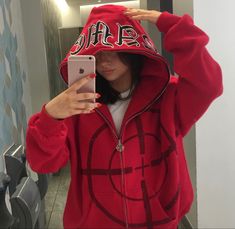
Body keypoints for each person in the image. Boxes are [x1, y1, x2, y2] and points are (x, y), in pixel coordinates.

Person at [26, 5, 223, 229]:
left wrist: (174, 26)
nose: (103, 60)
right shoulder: (78, 105)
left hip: (156, 221)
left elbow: (209, 84)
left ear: (133, 50)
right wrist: (50, 117)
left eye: (113, 49)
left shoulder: (166, 97)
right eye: (97, 52)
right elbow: (43, 163)